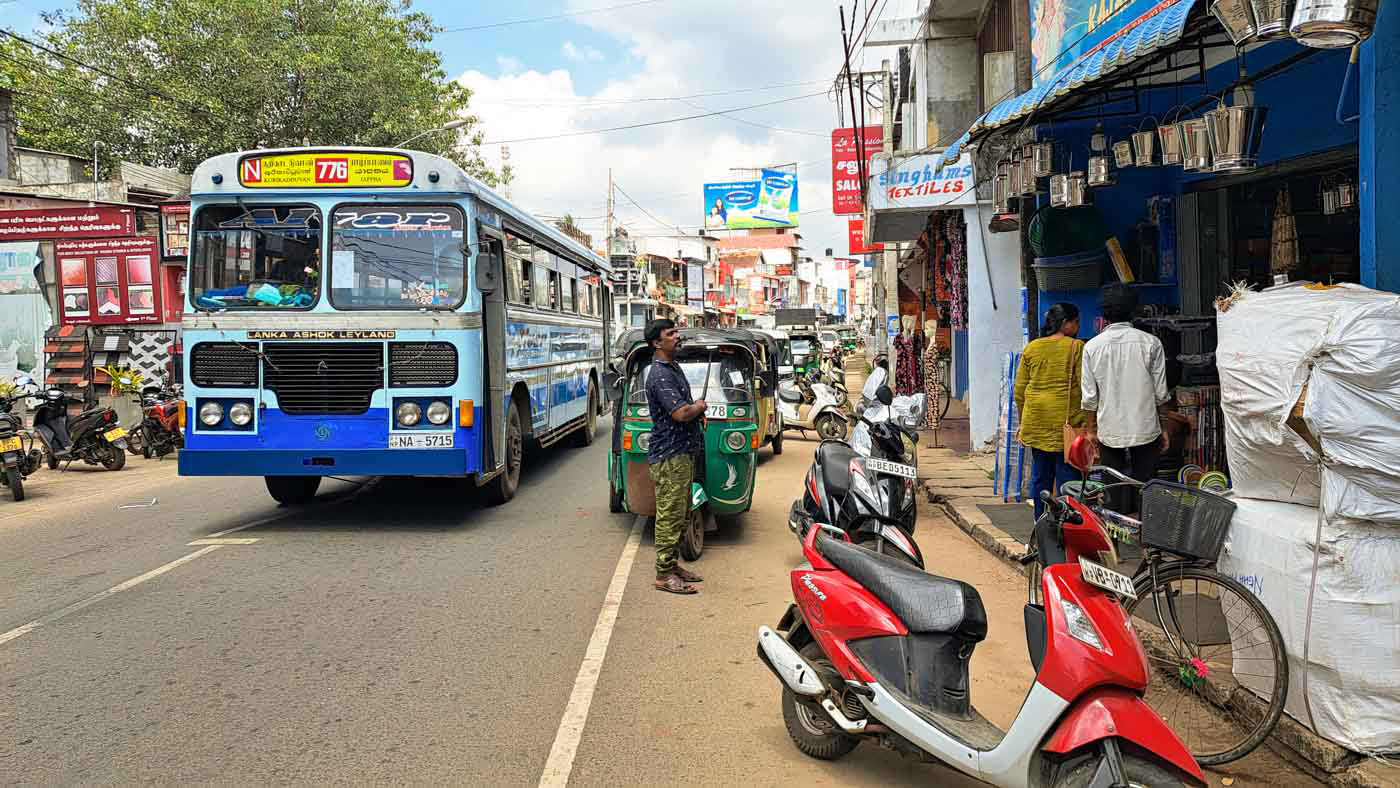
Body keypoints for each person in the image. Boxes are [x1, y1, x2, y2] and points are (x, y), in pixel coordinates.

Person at [1081, 284, 1169, 515]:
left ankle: (1114, 535)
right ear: (1133, 311)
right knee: (1146, 487)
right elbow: (1161, 393)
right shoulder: (1151, 343)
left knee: (1112, 488)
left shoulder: (1092, 347)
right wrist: (1165, 427)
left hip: (1109, 428)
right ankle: (1147, 536)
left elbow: (1089, 397)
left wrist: (1091, 431)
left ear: (1104, 314)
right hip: (1146, 427)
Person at [643, 319, 707, 594]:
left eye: (676, 332)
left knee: (682, 513)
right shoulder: (660, 375)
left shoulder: (673, 368)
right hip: (670, 455)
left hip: (682, 452)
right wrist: (699, 407)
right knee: (670, 516)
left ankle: (672, 566)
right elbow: (680, 413)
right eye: (671, 334)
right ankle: (663, 575)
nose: (677, 336)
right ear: (657, 343)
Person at [1014, 303, 1088, 519]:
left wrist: (1023, 422)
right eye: (1076, 322)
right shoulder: (1076, 347)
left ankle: (1041, 522)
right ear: (1065, 323)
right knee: (1068, 478)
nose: (1078, 326)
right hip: (1066, 424)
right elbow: (1084, 386)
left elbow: (1019, 391)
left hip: (1035, 420)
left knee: (1040, 477)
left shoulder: (1032, 348)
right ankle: (1066, 523)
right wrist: (1088, 423)